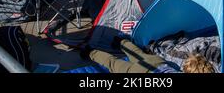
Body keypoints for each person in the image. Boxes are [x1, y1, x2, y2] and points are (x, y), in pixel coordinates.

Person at [80, 37, 214, 73]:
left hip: (158, 62)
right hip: (140, 72)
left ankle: (121, 41)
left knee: (137, 54)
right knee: (113, 64)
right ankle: (90, 52)